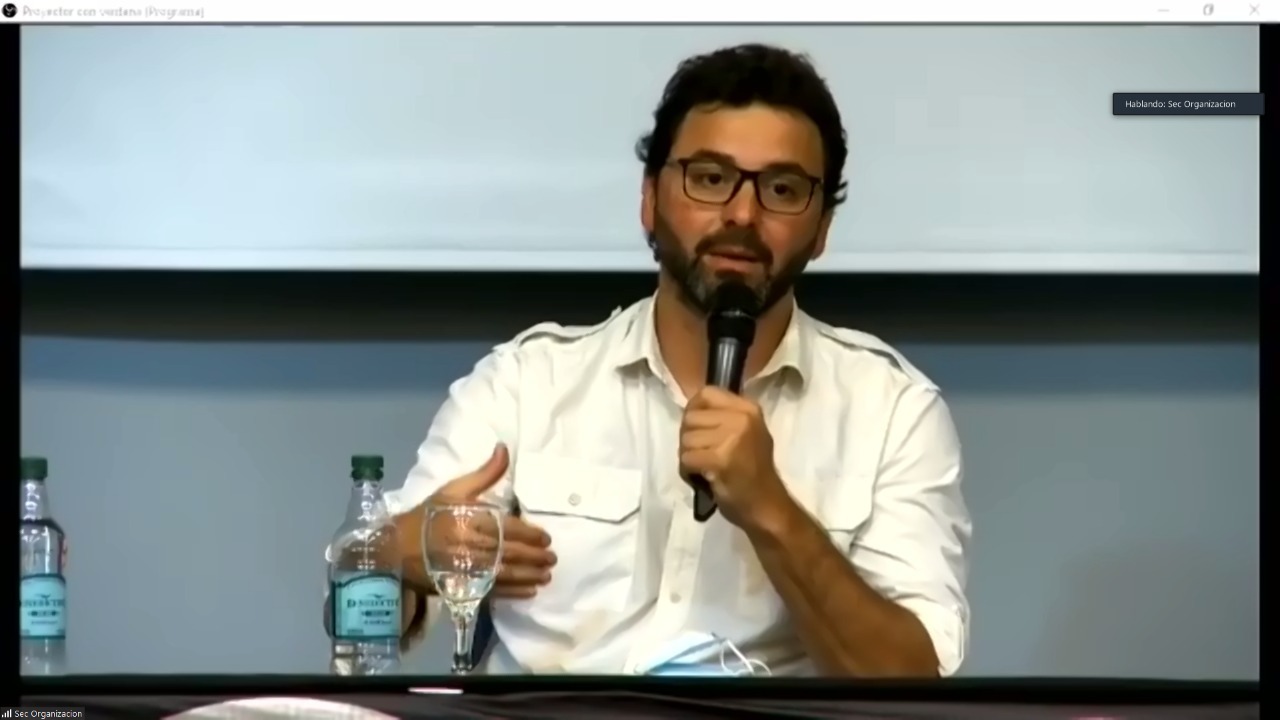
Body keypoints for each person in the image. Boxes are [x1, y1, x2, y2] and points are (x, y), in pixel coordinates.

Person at [387, 43, 971, 677]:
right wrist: (397, 554)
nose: (742, 214)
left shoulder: (893, 413)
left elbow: (914, 682)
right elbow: (365, 607)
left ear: (822, 227)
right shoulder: (526, 384)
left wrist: (771, 509)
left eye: (782, 189)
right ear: (649, 199)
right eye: (710, 178)